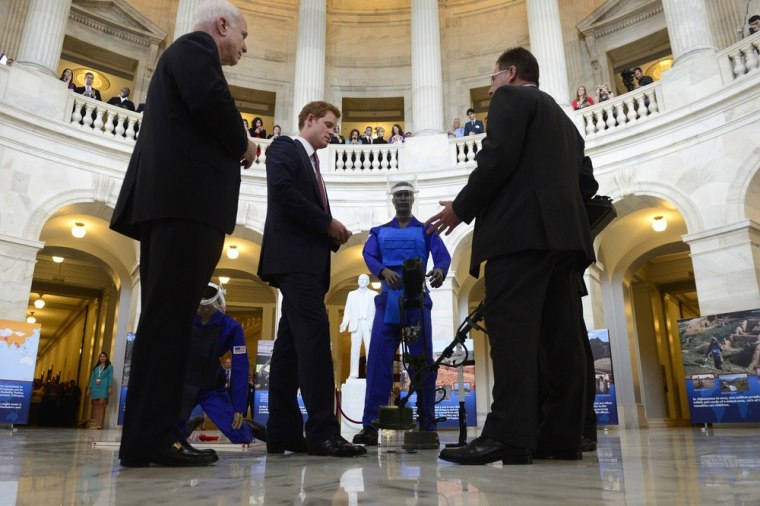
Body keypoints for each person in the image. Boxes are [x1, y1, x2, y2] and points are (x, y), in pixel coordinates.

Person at [427, 47, 596, 465]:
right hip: (564, 240)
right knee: (561, 340)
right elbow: (586, 183)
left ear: (511, 73)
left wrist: (460, 208)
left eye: (492, 77)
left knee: (514, 338)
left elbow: (497, 158)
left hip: (520, 237)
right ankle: (560, 436)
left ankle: (507, 436)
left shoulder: (511, 99)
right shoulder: (566, 122)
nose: (491, 86)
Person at [109, 0, 256, 467]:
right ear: (220, 26)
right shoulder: (195, 49)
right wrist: (244, 143)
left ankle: (148, 437)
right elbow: (211, 100)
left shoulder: (185, 56)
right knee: (169, 323)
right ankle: (155, 436)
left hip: (176, 205)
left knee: (166, 322)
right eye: (242, 36)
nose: (245, 47)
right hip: (185, 205)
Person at [257, 100, 365, 458]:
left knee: (288, 351)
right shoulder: (285, 148)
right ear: (309, 120)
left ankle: (283, 432)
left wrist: (329, 234)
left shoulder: (313, 162)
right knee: (316, 340)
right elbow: (284, 194)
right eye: (330, 125)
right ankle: (322, 431)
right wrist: (326, 223)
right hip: (294, 261)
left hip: (308, 263)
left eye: (336, 127)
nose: (334, 133)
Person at [352, 181, 451, 446]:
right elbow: (368, 254)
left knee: (422, 363)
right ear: (393, 201)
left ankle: (427, 423)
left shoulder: (426, 231)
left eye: (408, 195)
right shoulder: (379, 232)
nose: (404, 200)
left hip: (417, 301)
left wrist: (440, 270)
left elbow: (443, 257)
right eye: (400, 196)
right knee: (378, 363)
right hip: (387, 301)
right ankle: (371, 424)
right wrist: (383, 271)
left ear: (413, 199)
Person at [178, 283, 267, 445]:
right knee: (169, 434)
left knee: (239, 436)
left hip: (210, 388)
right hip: (184, 384)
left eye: (208, 308)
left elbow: (240, 366)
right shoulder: (184, 319)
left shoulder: (231, 327)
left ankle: (250, 428)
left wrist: (239, 407)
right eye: (201, 307)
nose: (204, 311)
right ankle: (188, 425)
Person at [339, 274, 378, 380]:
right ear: (358, 281)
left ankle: (371, 373)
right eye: (361, 279)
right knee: (355, 349)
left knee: (370, 348)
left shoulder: (374, 294)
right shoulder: (351, 294)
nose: (362, 281)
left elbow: (377, 312)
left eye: (365, 279)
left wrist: (377, 324)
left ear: (368, 282)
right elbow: (348, 311)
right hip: (356, 323)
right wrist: (345, 323)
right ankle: (353, 373)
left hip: (368, 324)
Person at [86, 352, 113, 430]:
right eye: (101, 356)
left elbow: (110, 377)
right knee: (96, 407)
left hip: (104, 387)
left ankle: (100, 424)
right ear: (99, 358)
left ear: (106, 358)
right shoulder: (95, 368)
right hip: (95, 387)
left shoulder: (109, 367)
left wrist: (110, 387)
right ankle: (96, 423)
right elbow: (92, 378)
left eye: (104, 356)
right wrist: (89, 388)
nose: (102, 358)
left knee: (101, 405)